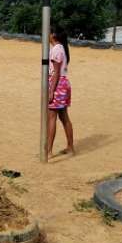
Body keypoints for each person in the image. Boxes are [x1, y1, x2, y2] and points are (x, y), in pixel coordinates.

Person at [47, 30, 75, 158]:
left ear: (53, 34)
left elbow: (56, 72)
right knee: (64, 117)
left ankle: (48, 151)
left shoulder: (57, 49)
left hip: (57, 84)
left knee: (52, 117)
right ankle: (70, 147)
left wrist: (51, 91)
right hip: (62, 84)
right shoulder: (60, 48)